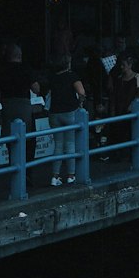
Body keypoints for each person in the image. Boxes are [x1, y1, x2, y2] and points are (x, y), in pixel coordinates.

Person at [46, 53, 86, 186]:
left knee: (58, 144)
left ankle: (55, 176)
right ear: (68, 63)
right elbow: (81, 92)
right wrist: (80, 103)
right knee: (70, 144)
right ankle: (71, 175)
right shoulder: (72, 76)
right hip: (70, 111)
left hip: (54, 113)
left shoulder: (52, 77)